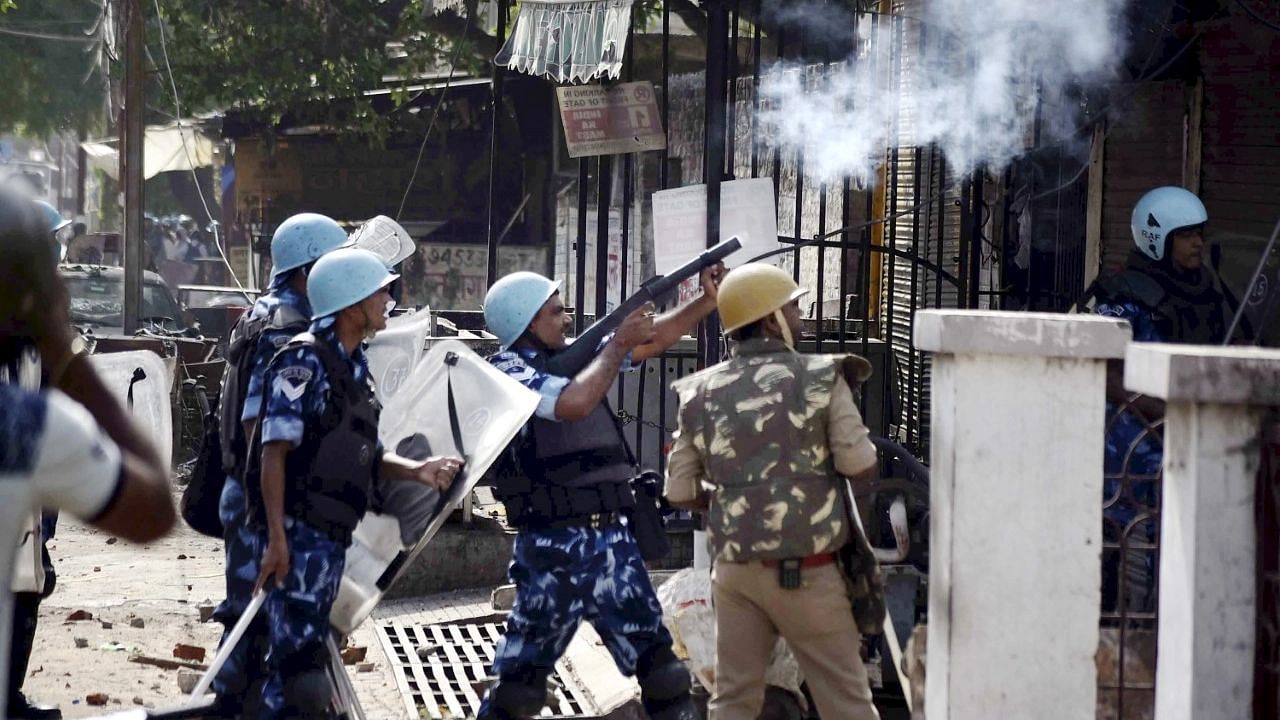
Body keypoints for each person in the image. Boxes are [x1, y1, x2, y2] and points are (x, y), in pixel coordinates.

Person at [476, 262, 725, 720]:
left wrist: (706, 301)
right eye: (556, 312)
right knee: (520, 690)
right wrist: (616, 348)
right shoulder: (506, 371)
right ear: (526, 322)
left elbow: (654, 340)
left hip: (611, 542)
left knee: (665, 674)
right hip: (552, 549)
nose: (567, 319)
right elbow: (572, 404)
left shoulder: (570, 357)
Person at [247, 247, 462, 718]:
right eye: (380, 291)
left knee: (305, 670)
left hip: (330, 537)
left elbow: (359, 450)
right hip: (299, 537)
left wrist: (417, 471)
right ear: (349, 305)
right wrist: (276, 539)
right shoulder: (302, 362)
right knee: (298, 673)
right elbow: (273, 453)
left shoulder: (353, 365)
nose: (389, 299)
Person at [665, 263, 881, 720]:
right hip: (808, 571)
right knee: (847, 702)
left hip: (735, 574)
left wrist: (735, 500)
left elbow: (679, 490)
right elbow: (860, 464)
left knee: (734, 701)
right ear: (770, 319)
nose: (800, 318)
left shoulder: (700, 392)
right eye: (794, 308)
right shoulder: (823, 377)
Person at [0, 188, 175, 719]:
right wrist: (65, 349)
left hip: (35, 513)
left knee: (29, 582)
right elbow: (153, 511)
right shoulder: (20, 426)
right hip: (36, 497)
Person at [209, 213, 352, 715]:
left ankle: (233, 704)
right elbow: (262, 429)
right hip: (261, 495)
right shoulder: (286, 327)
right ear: (305, 272)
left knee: (250, 618)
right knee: (263, 625)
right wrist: (279, 516)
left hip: (246, 491)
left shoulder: (263, 313)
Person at [1092, 186, 1238, 611]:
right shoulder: (1126, 296)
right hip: (1132, 466)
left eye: (1200, 234)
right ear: (1159, 239)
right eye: (1187, 235)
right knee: (1134, 581)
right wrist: (1159, 407)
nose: (1198, 243)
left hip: (1193, 452)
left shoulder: (1208, 291)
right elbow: (1104, 369)